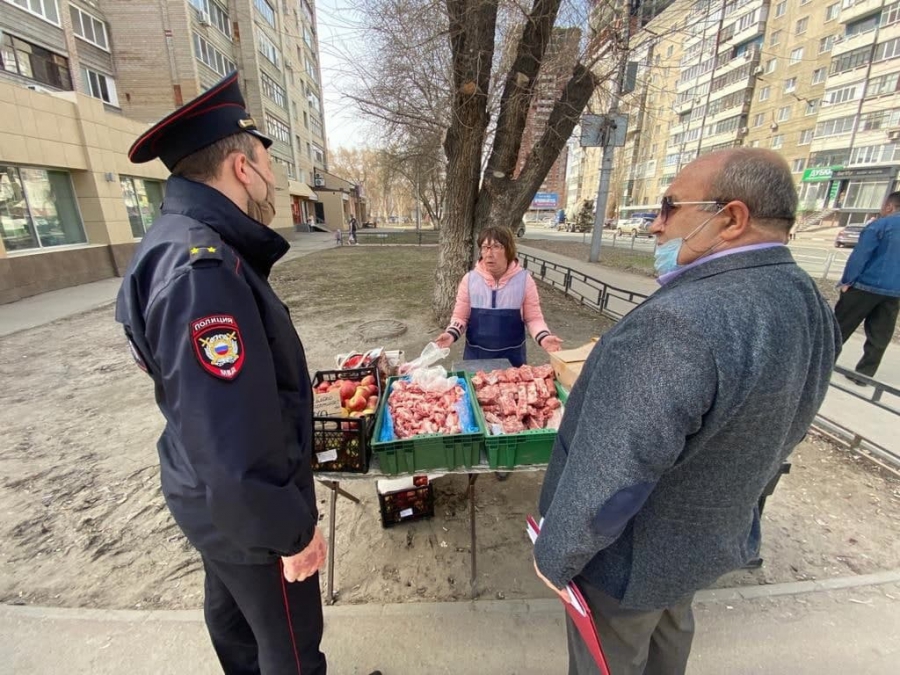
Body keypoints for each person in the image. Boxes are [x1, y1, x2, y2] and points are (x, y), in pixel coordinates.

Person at [533, 149, 840, 675]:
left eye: (668, 206)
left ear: (732, 218)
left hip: (626, 562)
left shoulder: (676, 324)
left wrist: (556, 555)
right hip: (699, 544)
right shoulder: (806, 300)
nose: (654, 226)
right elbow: (788, 428)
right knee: (669, 643)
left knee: (610, 659)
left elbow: (616, 479)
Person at [115, 73, 381, 675]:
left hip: (212, 502)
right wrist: (291, 533)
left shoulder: (169, 242)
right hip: (249, 516)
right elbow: (233, 434)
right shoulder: (202, 269)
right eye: (268, 159)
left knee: (237, 634)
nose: (273, 175)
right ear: (241, 166)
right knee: (289, 650)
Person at [434, 225, 562, 366]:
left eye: (496, 247)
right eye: (485, 247)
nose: (489, 253)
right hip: (476, 355)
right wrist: (450, 334)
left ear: (508, 250)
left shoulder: (524, 280)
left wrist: (544, 337)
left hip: (513, 357)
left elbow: (533, 318)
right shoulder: (470, 280)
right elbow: (460, 317)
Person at [834, 191, 900, 383]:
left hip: (865, 286)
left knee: (839, 327)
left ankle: (822, 363)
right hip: (894, 292)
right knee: (880, 335)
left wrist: (847, 281)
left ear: (889, 207)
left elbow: (860, 256)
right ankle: (864, 375)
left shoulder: (879, 226)